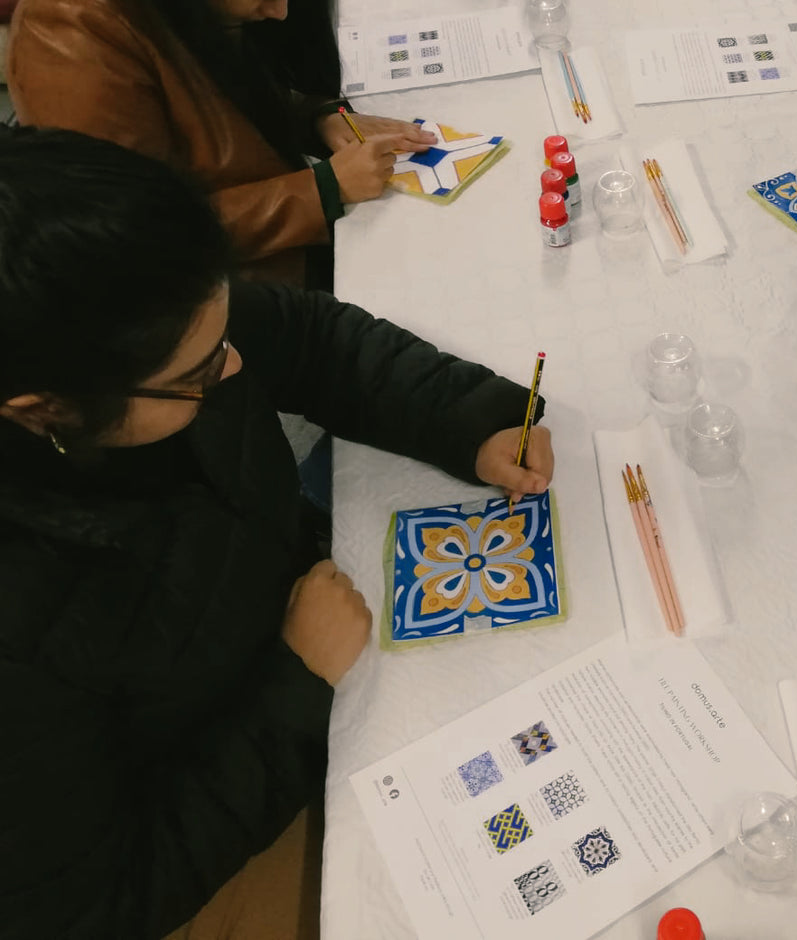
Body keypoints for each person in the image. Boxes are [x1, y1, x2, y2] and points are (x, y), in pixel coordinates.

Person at [0, 128, 553, 939]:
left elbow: (304, 334)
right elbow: (98, 905)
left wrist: (467, 421)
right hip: (250, 781)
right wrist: (297, 679)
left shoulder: (144, 320)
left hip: (305, 611)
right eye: (195, 376)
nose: (231, 371)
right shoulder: (24, 633)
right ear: (42, 410)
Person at [5, 0, 434, 285]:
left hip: (266, 238)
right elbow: (132, 234)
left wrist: (317, 118)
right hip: (201, 295)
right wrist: (321, 191)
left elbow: (219, 95)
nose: (281, 13)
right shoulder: (74, 33)